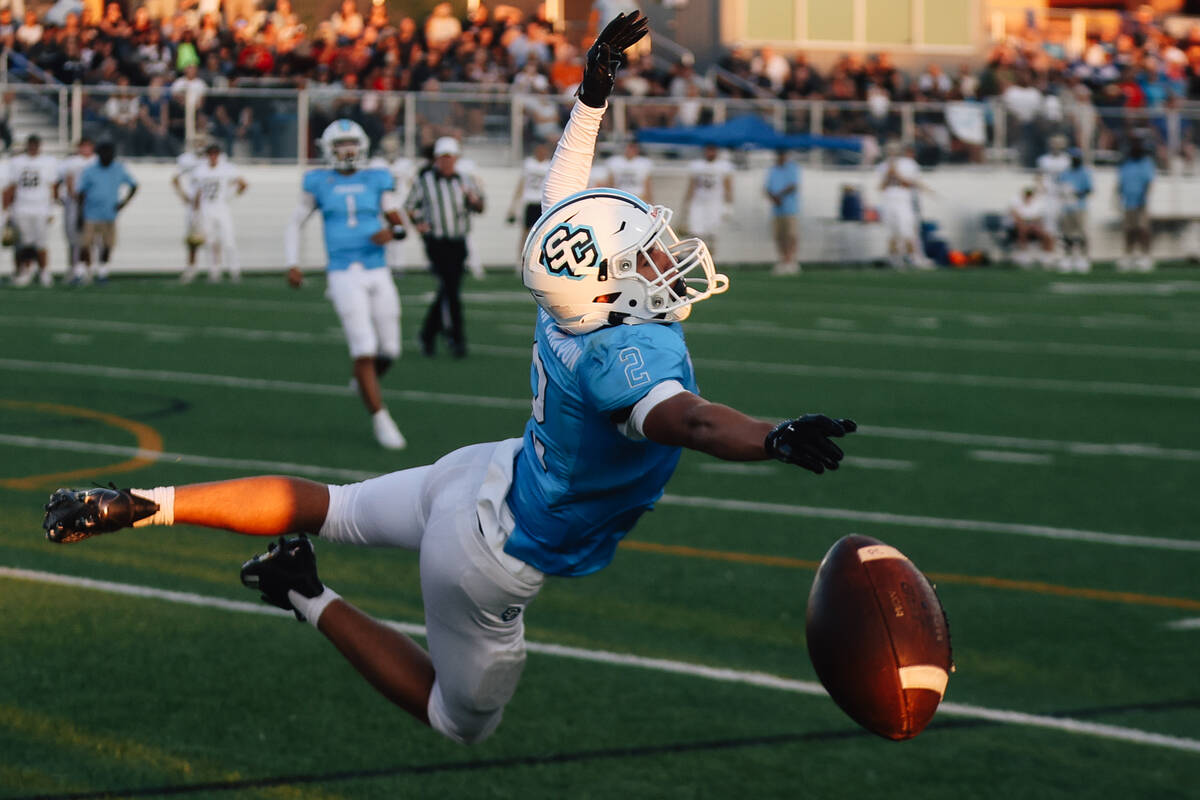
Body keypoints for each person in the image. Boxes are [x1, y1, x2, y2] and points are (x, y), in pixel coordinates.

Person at [40, 13, 857, 749]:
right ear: (607, 284)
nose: (660, 254)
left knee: (334, 504)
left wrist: (593, 92)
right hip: (495, 547)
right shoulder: (623, 352)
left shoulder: (569, 305)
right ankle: (303, 593)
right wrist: (775, 437)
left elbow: (560, 195)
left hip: (485, 475)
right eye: (641, 252)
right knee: (459, 720)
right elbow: (695, 422)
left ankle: (147, 504)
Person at [284, 119, 409, 450]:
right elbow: (295, 223)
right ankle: (381, 417)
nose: (346, 150)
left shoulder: (376, 178)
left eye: (351, 143)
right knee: (364, 347)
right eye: (340, 145)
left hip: (377, 268)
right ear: (329, 150)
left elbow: (399, 222)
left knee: (390, 349)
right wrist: (292, 263)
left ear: (362, 146)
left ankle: (361, 382)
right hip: (342, 272)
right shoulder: (319, 181)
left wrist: (394, 232)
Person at [405, 136, 484, 358]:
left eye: (450, 158)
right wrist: (418, 223)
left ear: (455, 159)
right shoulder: (425, 181)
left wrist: (473, 200)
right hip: (436, 242)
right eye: (443, 158)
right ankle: (456, 338)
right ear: (436, 159)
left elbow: (480, 206)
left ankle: (428, 334)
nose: (446, 162)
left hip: (459, 241)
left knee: (449, 290)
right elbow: (410, 207)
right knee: (450, 290)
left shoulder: (466, 180)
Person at [75, 141, 137, 284]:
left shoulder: (118, 168)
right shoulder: (90, 170)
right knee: (85, 244)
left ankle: (102, 272)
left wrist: (123, 203)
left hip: (109, 214)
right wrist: (80, 214)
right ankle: (81, 272)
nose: (106, 157)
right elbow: (81, 193)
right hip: (90, 213)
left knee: (107, 245)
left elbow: (134, 185)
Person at [3, 134, 60, 287]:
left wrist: (51, 209)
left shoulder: (49, 162)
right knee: (23, 243)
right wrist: (6, 210)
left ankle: (43, 272)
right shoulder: (17, 162)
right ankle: (25, 271)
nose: (33, 147)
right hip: (21, 207)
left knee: (41, 243)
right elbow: (11, 187)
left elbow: (53, 187)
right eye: (31, 144)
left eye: (35, 144)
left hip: (40, 208)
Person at [186, 142, 247, 283]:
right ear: (207, 155)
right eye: (211, 154)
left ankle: (235, 271)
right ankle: (214, 271)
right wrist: (195, 213)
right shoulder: (201, 171)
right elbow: (198, 192)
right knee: (209, 241)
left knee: (229, 240)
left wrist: (232, 195)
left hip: (221, 207)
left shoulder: (227, 169)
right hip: (206, 208)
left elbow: (243, 184)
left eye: (215, 154)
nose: (213, 157)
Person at [875, 141, 924, 268]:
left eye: (894, 150)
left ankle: (912, 258)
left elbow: (910, 184)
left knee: (906, 230)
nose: (892, 153)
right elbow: (881, 187)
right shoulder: (882, 166)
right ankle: (895, 260)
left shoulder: (909, 164)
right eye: (890, 150)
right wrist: (888, 173)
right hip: (888, 201)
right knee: (891, 233)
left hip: (903, 201)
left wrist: (896, 173)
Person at [505, 140, 551, 272]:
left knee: (544, 234)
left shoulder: (549, 164)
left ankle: (542, 261)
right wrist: (514, 205)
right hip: (530, 201)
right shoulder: (529, 164)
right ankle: (520, 261)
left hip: (543, 202)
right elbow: (521, 183)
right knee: (525, 233)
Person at [56, 136, 96, 284]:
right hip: (72, 204)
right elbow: (61, 181)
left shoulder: (97, 161)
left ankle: (87, 268)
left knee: (88, 239)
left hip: (91, 204)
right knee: (73, 238)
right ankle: (73, 268)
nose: (85, 149)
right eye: (82, 146)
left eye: (88, 145)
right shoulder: (70, 162)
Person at [1117, 132, 1156, 272]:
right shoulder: (1126, 163)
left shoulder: (1146, 162)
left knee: (1142, 229)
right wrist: (1118, 197)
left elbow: (1149, 182)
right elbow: (1120, 182)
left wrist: (1144, 198)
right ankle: (1129, 254)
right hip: (1128, 202)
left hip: (1141, 202)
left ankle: (1145, 255)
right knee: (1129, 230)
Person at [682, 143, 732, 254]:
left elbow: (728, 186)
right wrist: (686, 202)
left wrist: (729, 205)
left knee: (712, 233)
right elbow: (692, 185)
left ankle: (710, 260)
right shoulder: (697, 165)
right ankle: (696, 259)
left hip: (715, 203)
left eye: (712, 150)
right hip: (699, 202)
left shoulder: (723, 166)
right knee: (695, 232)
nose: (710, 153)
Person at [172, 138, 207, 281]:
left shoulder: (212, 160)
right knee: (193, 238)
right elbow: (175, 179)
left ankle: (215, 268)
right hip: (194, 204)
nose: (199, 145)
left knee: (214, 237)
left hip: (210, 203)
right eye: (197, 142)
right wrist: (184, 196)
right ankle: (191, 267)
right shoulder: (186, 160)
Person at [764, 149, 800, 275]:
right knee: (779, 236)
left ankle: (791, 260)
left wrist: (779, 196)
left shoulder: (792, 168)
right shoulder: (772, 170)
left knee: (790, 235)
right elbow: (767, 187)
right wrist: (773, 197)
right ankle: (782, 260)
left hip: (790, 209)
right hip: (777, 210)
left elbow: (793, 186)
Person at [1056, 148, 1093, 273]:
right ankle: (1068, 257)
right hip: (1067, 207)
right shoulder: (1065, 173)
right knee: (1067, 234)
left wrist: (1076, 193)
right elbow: (1059, 187)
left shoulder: (1084, 172)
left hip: (1079, 206)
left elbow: (1089, 190)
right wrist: (1064, 193)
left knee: (1081, 233)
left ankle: (1083, 257)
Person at [1008, 186, 1054, 267]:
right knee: (1023, 229)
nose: (1028, 196)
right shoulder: (1016, 203)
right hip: (1020, 227)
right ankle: (1024, 254)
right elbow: (1017, 217)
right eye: (1027, 194)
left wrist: (1032, 223)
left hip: (1033, 226)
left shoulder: (1036, 205)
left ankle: (1047, 256)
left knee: (1047, 234)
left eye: (1030, 195)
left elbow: (1038, 218)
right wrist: (1027, 222)